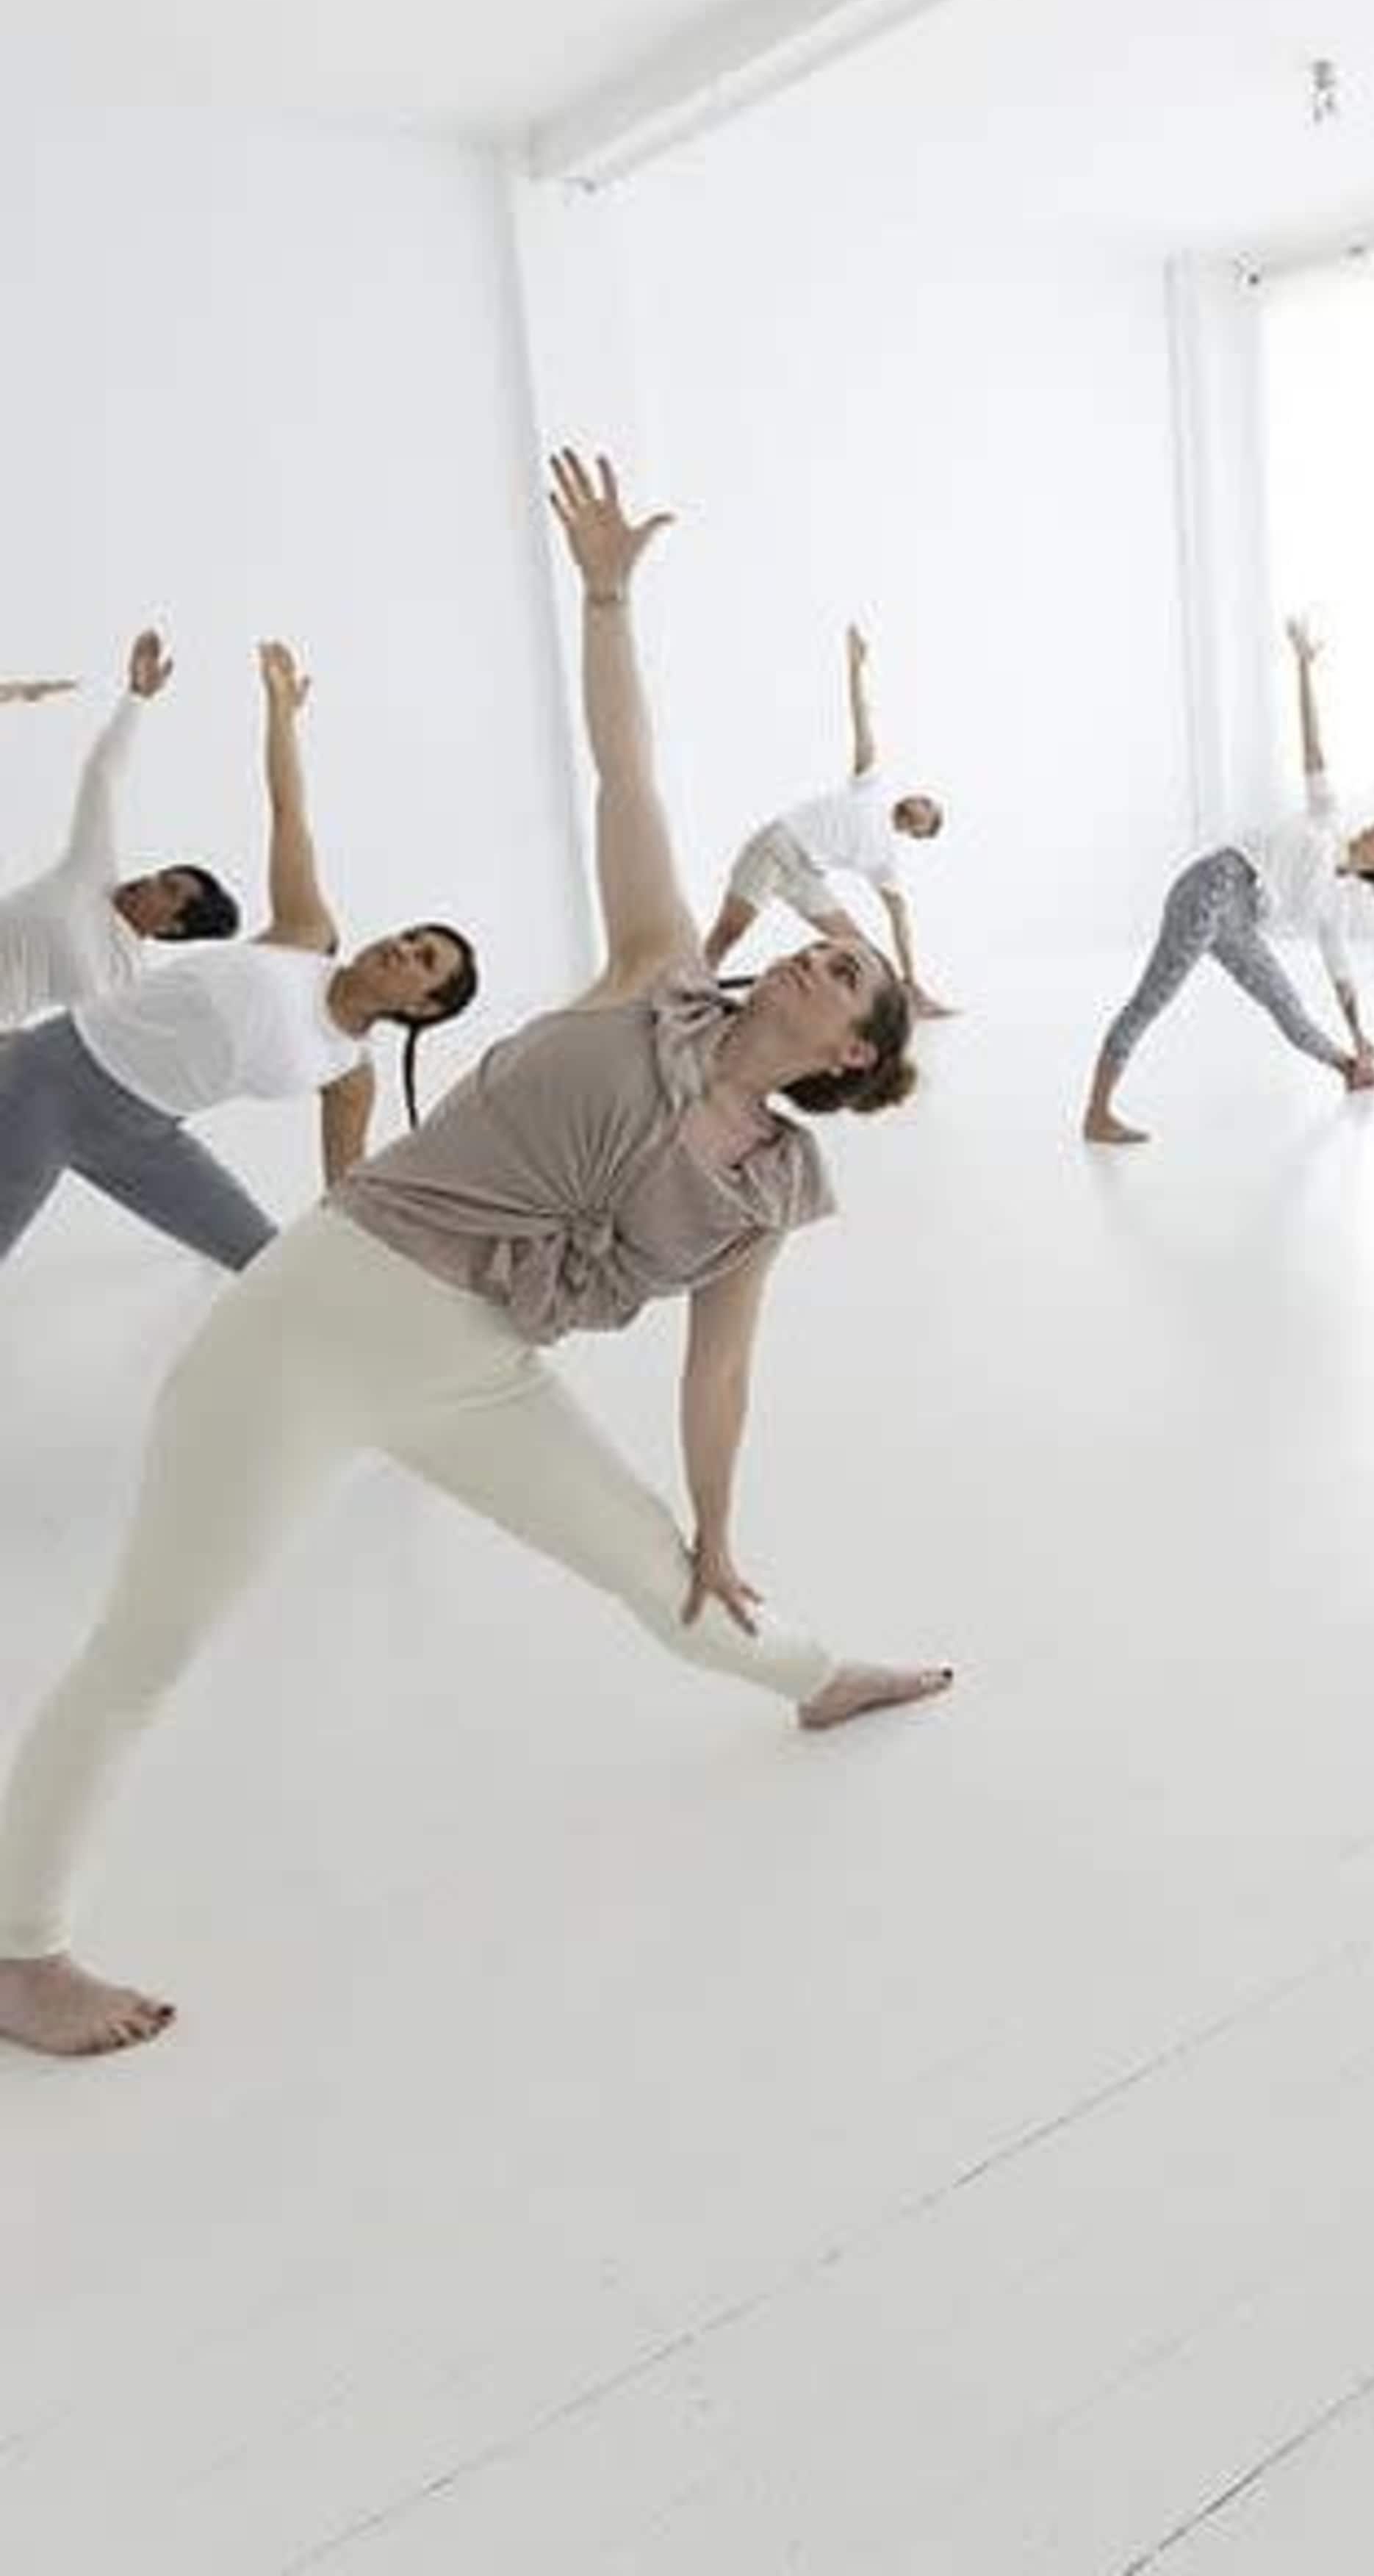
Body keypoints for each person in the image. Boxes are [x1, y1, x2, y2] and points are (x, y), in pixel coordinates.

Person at [0, 455, 953, 2059]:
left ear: (848, 1055)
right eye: (820, 939)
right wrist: (604, 598)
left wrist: (720, 1522)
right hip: (322, 1318)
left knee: (666, 1575)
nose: (815, 948)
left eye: (842, 968)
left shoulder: (772, 1184)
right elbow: (626, 782)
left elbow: (725, 1364)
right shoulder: (656, 978)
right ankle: (17, 1946)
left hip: (480, 1371)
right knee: (151, 1643)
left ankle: (813, 1674)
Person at [0, 640, 476, 1277]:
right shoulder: (308, 934)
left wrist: (397, 1258)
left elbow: (346, 1190)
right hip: (53, 1080)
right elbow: (289, 813)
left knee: (266, 1267)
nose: (401, 944)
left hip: (142, 1136)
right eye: (412, 934)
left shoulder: (350, 1077)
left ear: (422, 1005)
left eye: (422, 958)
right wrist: (281, 711)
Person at [1083, 617, 1374, 1144]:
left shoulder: (1336, 903)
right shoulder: (1326, 817)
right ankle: (1097, 1114)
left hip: (1241, 919)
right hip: (1216, 883)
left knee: (1286, 1005)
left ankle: (1353, 1070)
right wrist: (1303, 668)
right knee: (1152, 999)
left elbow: (1341, 974)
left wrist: (1359, 1035)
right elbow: (1313, 747)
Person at [702, 624, 950, 1016]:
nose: (920, 806)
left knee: (862, 953)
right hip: (779, 845)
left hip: (806, 875)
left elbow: (899, 917)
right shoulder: (870, 786)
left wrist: (912, 977)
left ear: (918, 834)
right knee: (729, 932)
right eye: (923, 800)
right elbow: (862, 721)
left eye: (927, 815)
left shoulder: (884, 861)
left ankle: (894, 1004)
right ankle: (690, 994)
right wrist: (855, 668)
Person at [0, 629, 240, 1030]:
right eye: (162, 876)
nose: (150, 880)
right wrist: (136, 699)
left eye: (168, 889)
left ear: (172, 926)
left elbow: (101, 1054)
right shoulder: (92, 874)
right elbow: (103, 775)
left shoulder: (124, 981)